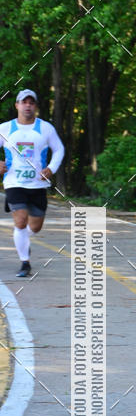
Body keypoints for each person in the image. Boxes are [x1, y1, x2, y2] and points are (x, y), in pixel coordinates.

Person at [0, 89, 65, 277]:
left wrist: (51, 169)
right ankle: (24, 263)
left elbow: (59, 149)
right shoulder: (5, 128)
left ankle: (22, 241)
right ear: (17, 105)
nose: (27, 105)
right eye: (24, 102)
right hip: (14, 182)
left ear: (35, 106)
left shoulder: (45, 128)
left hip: (37, 185)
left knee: (35, 227)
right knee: (20, 221)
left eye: (31, 102)